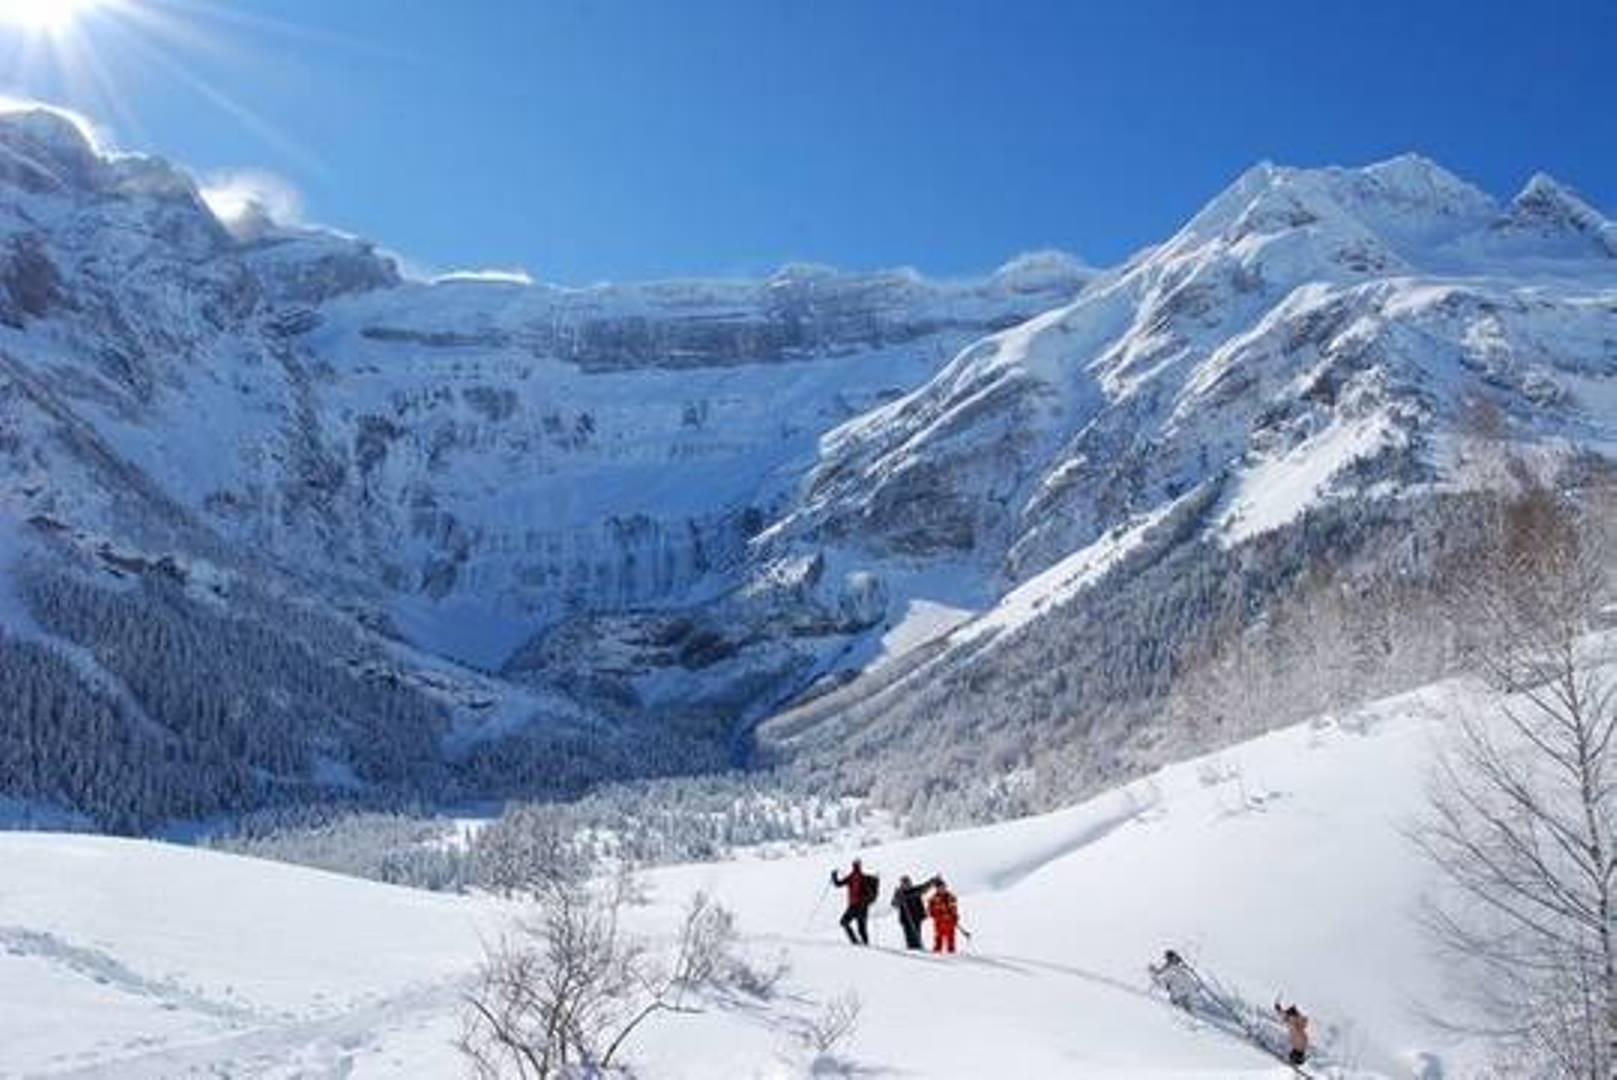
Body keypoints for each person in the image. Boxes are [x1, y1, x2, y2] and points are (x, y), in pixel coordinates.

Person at [831, 859, 874, 945]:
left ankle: (857, 942)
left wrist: (834, 876)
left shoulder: (854, 877)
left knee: (846, 922)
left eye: (855, 865)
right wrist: (834, 877)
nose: (855, 866)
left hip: (856, 905)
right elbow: (838, 884)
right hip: (861, 906)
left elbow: (838, 884)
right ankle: (863, 944)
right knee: (860, 927)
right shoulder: (858, 877)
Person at [890, 875, 937, 950]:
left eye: (907, 883)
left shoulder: (916, 890)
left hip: (917, 917)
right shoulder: (900, 893)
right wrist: (898, 898)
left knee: (917, 933)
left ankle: (918, 947)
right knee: (909, 935)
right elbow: (894, 904)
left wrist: (932, 881)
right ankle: (911, 949)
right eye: (904, 883)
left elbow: (925, 887)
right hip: (906, 919)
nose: (906, 885)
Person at [926, 877, 960, 953]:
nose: (942, 889)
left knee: (951, 938)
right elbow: (930, 911)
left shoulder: (951, 897)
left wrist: (955, 917)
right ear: (937, 888)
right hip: (939, 922)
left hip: (950, 922)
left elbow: (954, 909)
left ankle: (951, 953)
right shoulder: (933, 899)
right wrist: (938, 916)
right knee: (938, 938)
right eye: (940, 887)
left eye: (944, 887)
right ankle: (937, 953)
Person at [1274, 1000, 1309, 1066]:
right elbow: (1303, 1022)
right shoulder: (1294, 1020)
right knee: (1297, 1049)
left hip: (1299, 1043)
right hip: (1299, 1043)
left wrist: (1279, 1010)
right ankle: (1297, 1060)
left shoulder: (1293, 1020)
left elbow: (1285, 1016)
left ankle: (1297, 1060)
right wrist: (1279, 1010)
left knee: (1296, 1050)